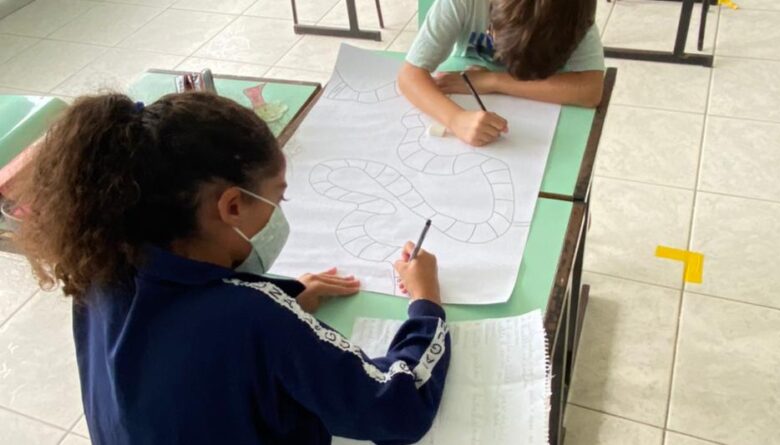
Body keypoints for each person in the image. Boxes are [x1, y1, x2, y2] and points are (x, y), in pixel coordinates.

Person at [14, 92, 450, 445]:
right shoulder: (254, 318)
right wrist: (426, 304)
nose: (279, 211)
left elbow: (187, 356)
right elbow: (399, 409)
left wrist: (289, 295)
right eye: (277, 199)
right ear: (232, 205)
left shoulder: (101, 266)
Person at [398, 0, 605, 146]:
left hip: (548, 119)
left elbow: (590, 90)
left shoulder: (572, 12)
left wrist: (493, 81)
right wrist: (456, 119)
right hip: (468, 88)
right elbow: (409, 76)